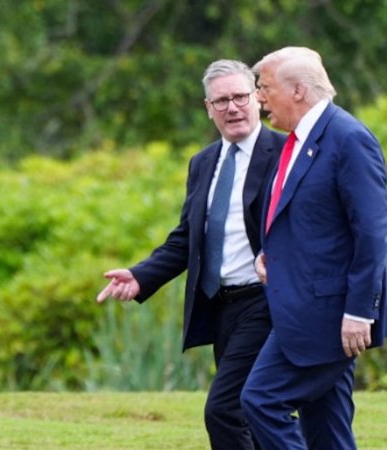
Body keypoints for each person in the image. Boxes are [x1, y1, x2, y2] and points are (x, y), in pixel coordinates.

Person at [96, 59, 285, 450]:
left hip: (268, 302)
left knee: (225, 410)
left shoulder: (286, 153)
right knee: (256, 415)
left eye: (240, 97)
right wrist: (140, 275)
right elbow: (186, 239)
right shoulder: (203, 163)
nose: (232, 108)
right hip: (221, 307)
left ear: (257, 98)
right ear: (208, 108)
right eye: (221, 101)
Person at [239, 47, 387, 449]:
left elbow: (371, 233)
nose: (258, 97)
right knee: (327, 430)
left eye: (265, 87)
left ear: (297, 90)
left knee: (261, 400)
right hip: (304, 307)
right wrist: (268, 255)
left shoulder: (349, 139)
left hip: (331, 313)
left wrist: (359, 311)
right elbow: (308, 220)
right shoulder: (297, 141)